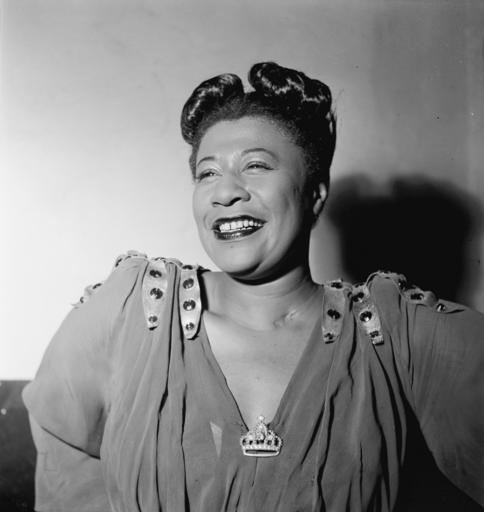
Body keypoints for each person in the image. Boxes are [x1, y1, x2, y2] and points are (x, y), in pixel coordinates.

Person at [23, 62, 484, 512]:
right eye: (207, 173)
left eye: (256, 165)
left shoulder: (394, 332)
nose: (225, 192)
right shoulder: (133, 311)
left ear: (315, 193)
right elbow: (63, 454)